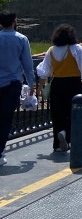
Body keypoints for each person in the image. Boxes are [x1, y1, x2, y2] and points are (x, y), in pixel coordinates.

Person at [36, 23, 82, 153]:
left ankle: (58, 144)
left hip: (57, 85)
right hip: (73, 84)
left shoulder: (51, 50)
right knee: (73, 113)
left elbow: (43, 71)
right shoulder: (76, 49)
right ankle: (67, 137)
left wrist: (39, 88)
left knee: (57, 113)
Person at [0, 10, 38, 167]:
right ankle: (0, 152)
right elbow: (28, 66)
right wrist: (31, 84)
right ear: (14, 21)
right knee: (5, 118)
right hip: (12, 84)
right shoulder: (21, 39)